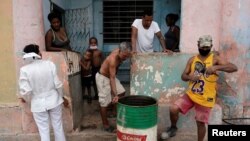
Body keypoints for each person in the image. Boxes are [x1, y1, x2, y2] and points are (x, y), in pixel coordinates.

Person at [161, 35, 238, 141]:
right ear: (198, 45)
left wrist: (217, 67)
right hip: (191, 94)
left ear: (211, 46)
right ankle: (173, 128)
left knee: (200, 122)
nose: (205, 49)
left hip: (206, 98)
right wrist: (190, 77)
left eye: (207, 47)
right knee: (173, 109)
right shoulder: (192, 60)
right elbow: (183, 76)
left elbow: (234, 67)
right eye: (202, 47)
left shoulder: (215, 59)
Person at [18, 44, 69, 141]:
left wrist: (25, 98)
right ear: (36, 54)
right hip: (54, 100)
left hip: (37, 104)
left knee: (44, 131)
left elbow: (26, 91)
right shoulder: (49, 64)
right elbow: (58, 84)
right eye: (39, 51)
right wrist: (63, 97)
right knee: (58, 127)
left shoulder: (24, 70)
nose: (41, 53)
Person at [95, 42, 131, 133]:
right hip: (103, 78)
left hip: (111, 76)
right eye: (124, 56)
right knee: (104, 102)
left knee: (122, 92)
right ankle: (105, 124)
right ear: (119, 51)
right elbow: (112, 78)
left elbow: (113, 75)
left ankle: (113, 111)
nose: (125, 58)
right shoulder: (112, 59)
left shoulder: (123, 52)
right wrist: (114, 94)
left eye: (127, 56)